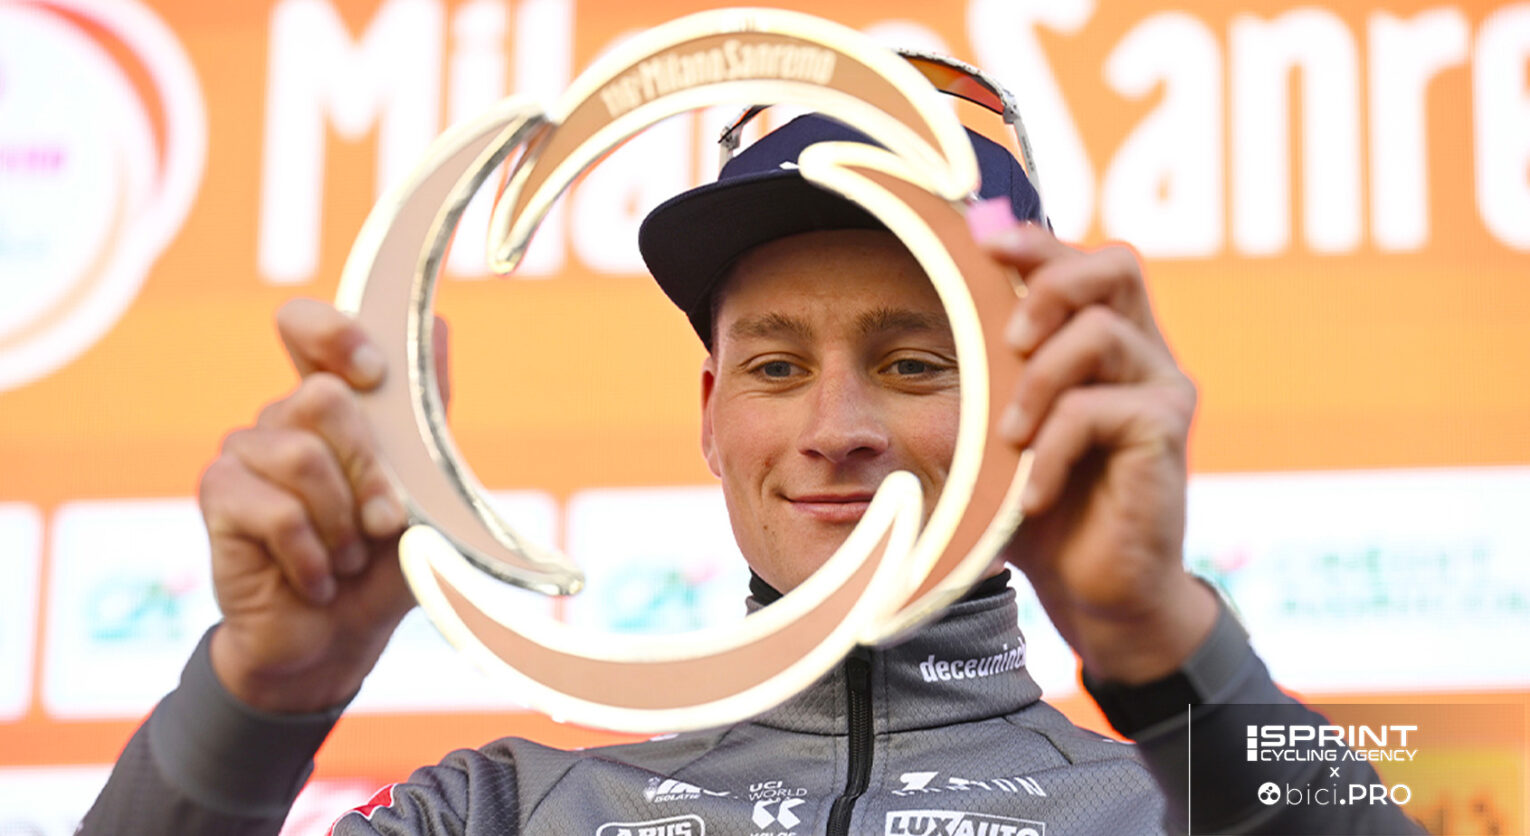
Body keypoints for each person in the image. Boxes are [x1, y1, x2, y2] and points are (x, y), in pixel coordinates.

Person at [80, 110, 1425, 835]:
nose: (835, 427)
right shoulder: (500, 812)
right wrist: (262, 698)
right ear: (711, 417)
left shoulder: (1185, 806)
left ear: (1031, 398)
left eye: (913, 361)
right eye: (777, 367)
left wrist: (1164, 650)